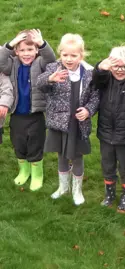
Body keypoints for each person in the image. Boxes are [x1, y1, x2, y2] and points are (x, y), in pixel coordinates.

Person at [37, 33, 99, 205]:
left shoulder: (90, 72)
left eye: (74, 55)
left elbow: (96, 97)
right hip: (59, 121)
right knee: (61, 155)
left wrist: (88, 110)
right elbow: (39, 83)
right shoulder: (53, 68)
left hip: (78, 123)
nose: (69, 59)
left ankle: (77, 191)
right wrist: (50, 79)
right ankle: (63, 188)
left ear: (81, 54)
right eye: (65, 55)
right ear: (60, 53)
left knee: (77, 156)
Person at [0, 29, 56, 190]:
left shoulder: (40, 63)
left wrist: (42, 44)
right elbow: (1, 61)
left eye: (30, 49)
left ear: (36, 50)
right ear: (16, 51)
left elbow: (51, 60)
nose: (26, 54)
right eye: (22, 50)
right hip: (17, 115)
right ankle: (24, 171)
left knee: (35, 145)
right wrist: (10, 44)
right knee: (19, 144)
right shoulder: (12, 64)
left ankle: (37, 173)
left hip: (36, 115)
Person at [93, 46, 125, 212]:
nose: (119, 70)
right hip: (105, 132)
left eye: (124, 67)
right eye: (115, 66)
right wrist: (101, 67)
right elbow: (96, 79)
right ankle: (109, 194)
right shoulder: (106, 79)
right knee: (107, 165)